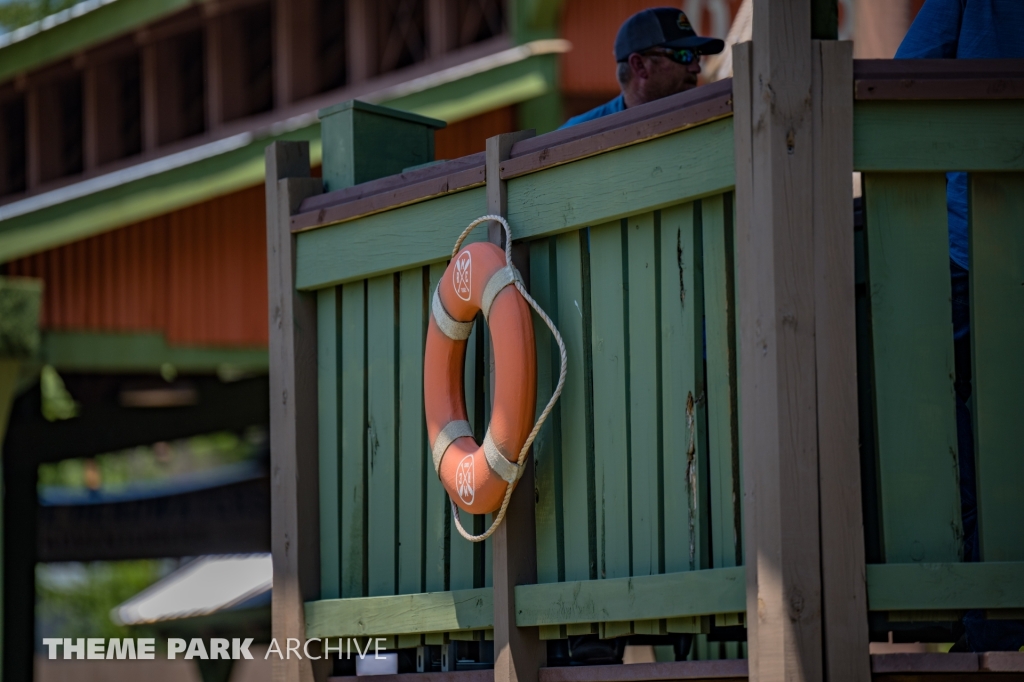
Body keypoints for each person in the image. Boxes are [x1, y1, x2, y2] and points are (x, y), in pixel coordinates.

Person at [895, 0, 1024, 653]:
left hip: (976, 238)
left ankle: (989, 618)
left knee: (968, 432)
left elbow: (904, 77)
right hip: (976, 238)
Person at [560, 7, 724, 129]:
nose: (696, 68)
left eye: (696, 56)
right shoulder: (576, 135)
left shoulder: (714, 120)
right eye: (683, 55)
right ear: (639, 65)